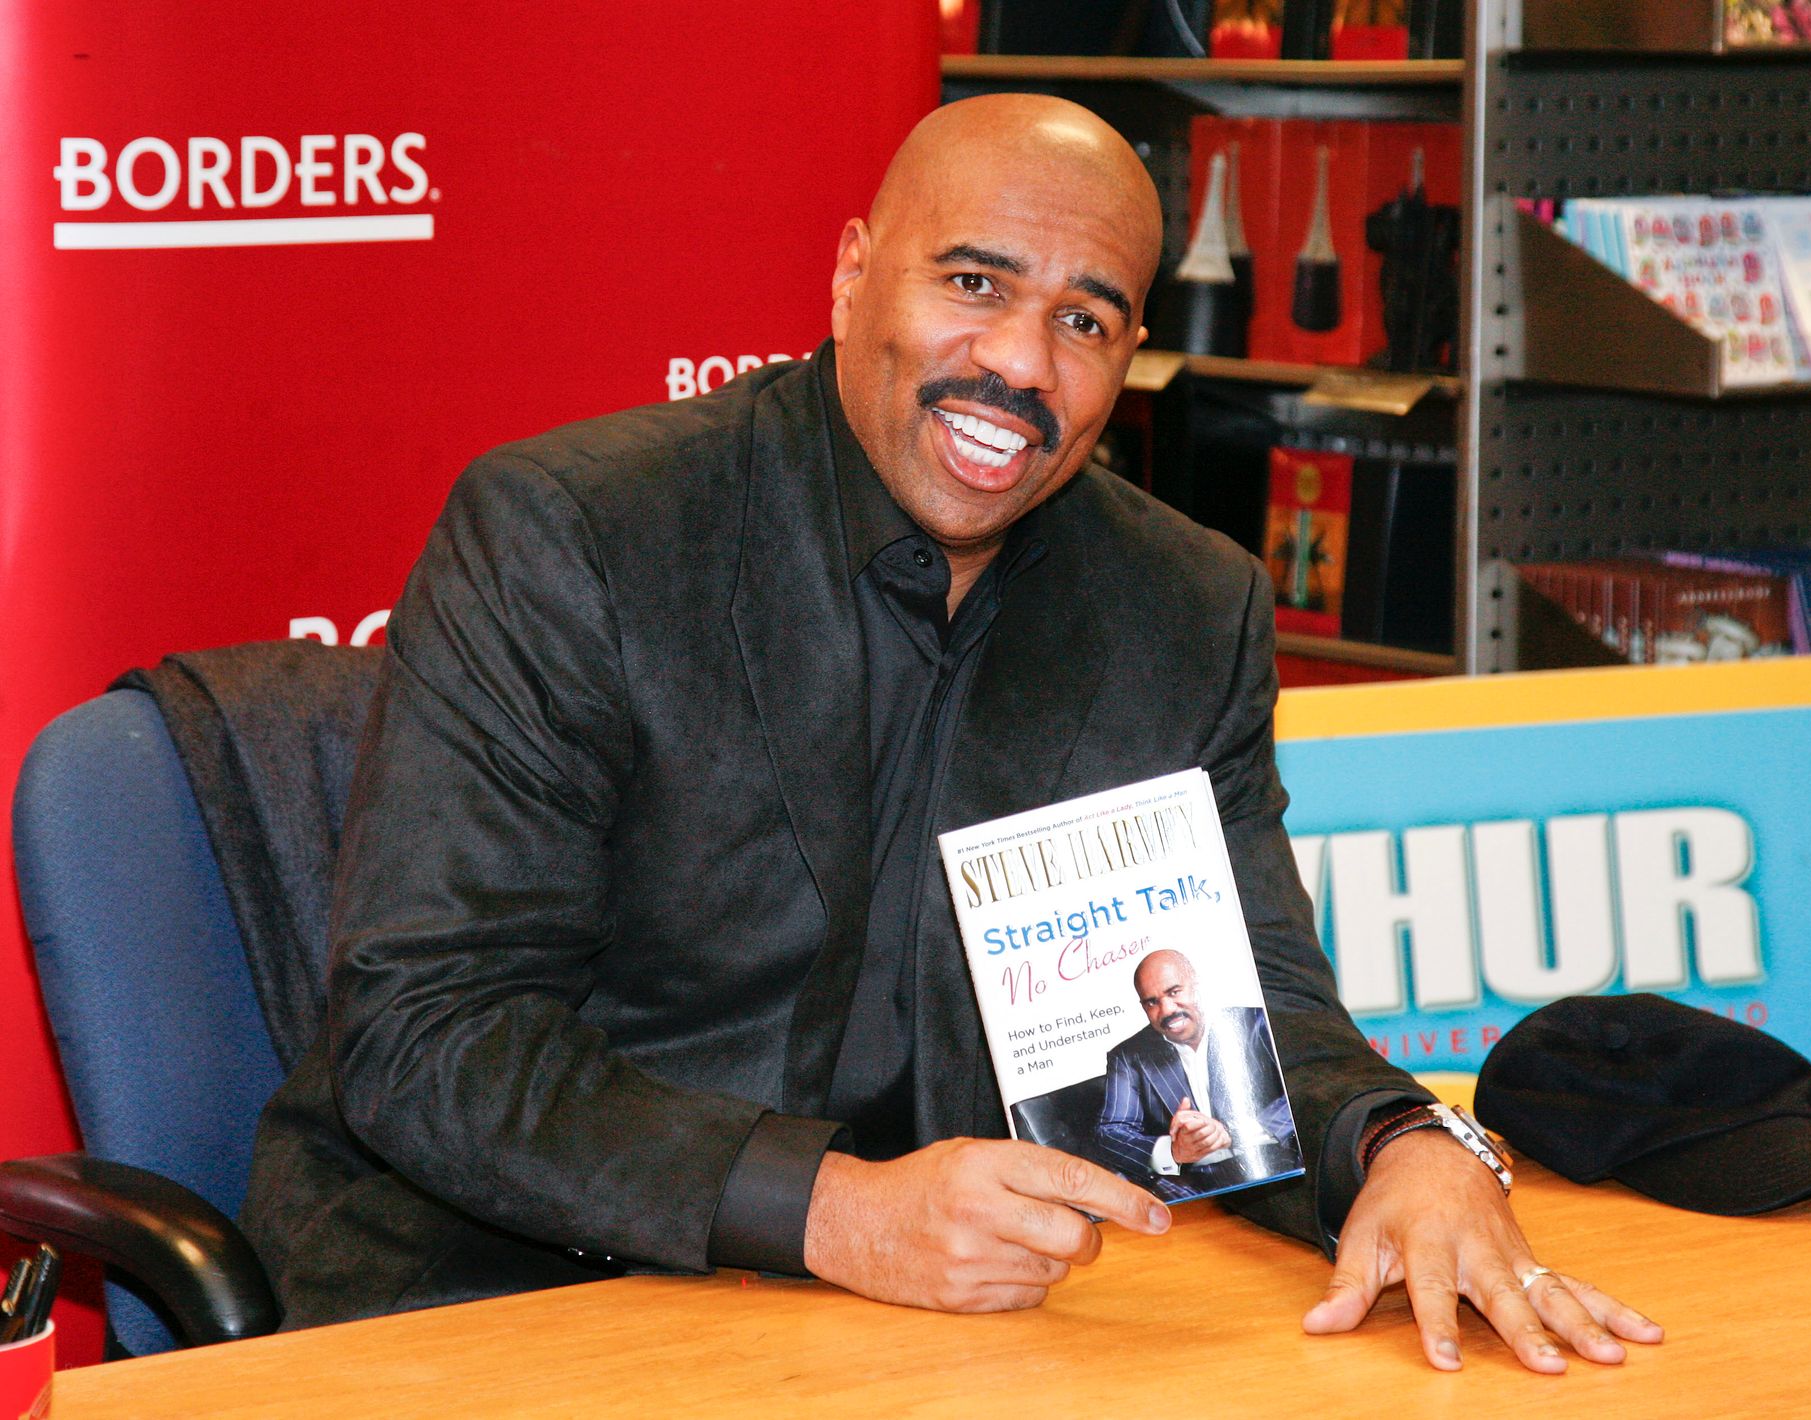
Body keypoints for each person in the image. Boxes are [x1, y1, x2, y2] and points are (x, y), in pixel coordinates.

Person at [243, 93, 1661, 1375]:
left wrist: (1404, 1144)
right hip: (508, 1297)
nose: (1016, 364)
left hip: (938, 1338)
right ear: (856, 272)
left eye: (1084, 321)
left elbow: (1238, 1009)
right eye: (972, 283)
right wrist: (832, 1212)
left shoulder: (1183, 606)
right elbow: (430, 1038)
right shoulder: (578, 538)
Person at [1095, 950, 1296, 1200]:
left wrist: (1231, 1133)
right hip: (1192, 1184)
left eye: (1174, 992)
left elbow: (1302, 1091)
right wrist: (1173, 1151)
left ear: (1198, 986)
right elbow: (1112, 1132)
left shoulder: (1257, 1022)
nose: (1167, 1009)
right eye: (1152, 1002)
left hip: (1276, 1168)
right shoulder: (1128, 1055)